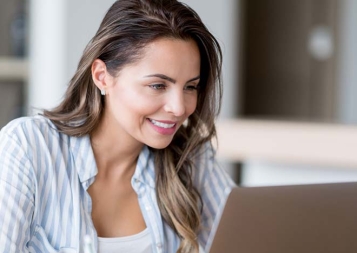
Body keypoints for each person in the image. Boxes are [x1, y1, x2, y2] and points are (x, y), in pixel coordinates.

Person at [0, 0, 236, 252]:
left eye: (190, 87)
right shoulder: (29, 147)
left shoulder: (190, 158)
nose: (179, 108)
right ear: (102, 77)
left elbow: (244, 238)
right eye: (158, 85)